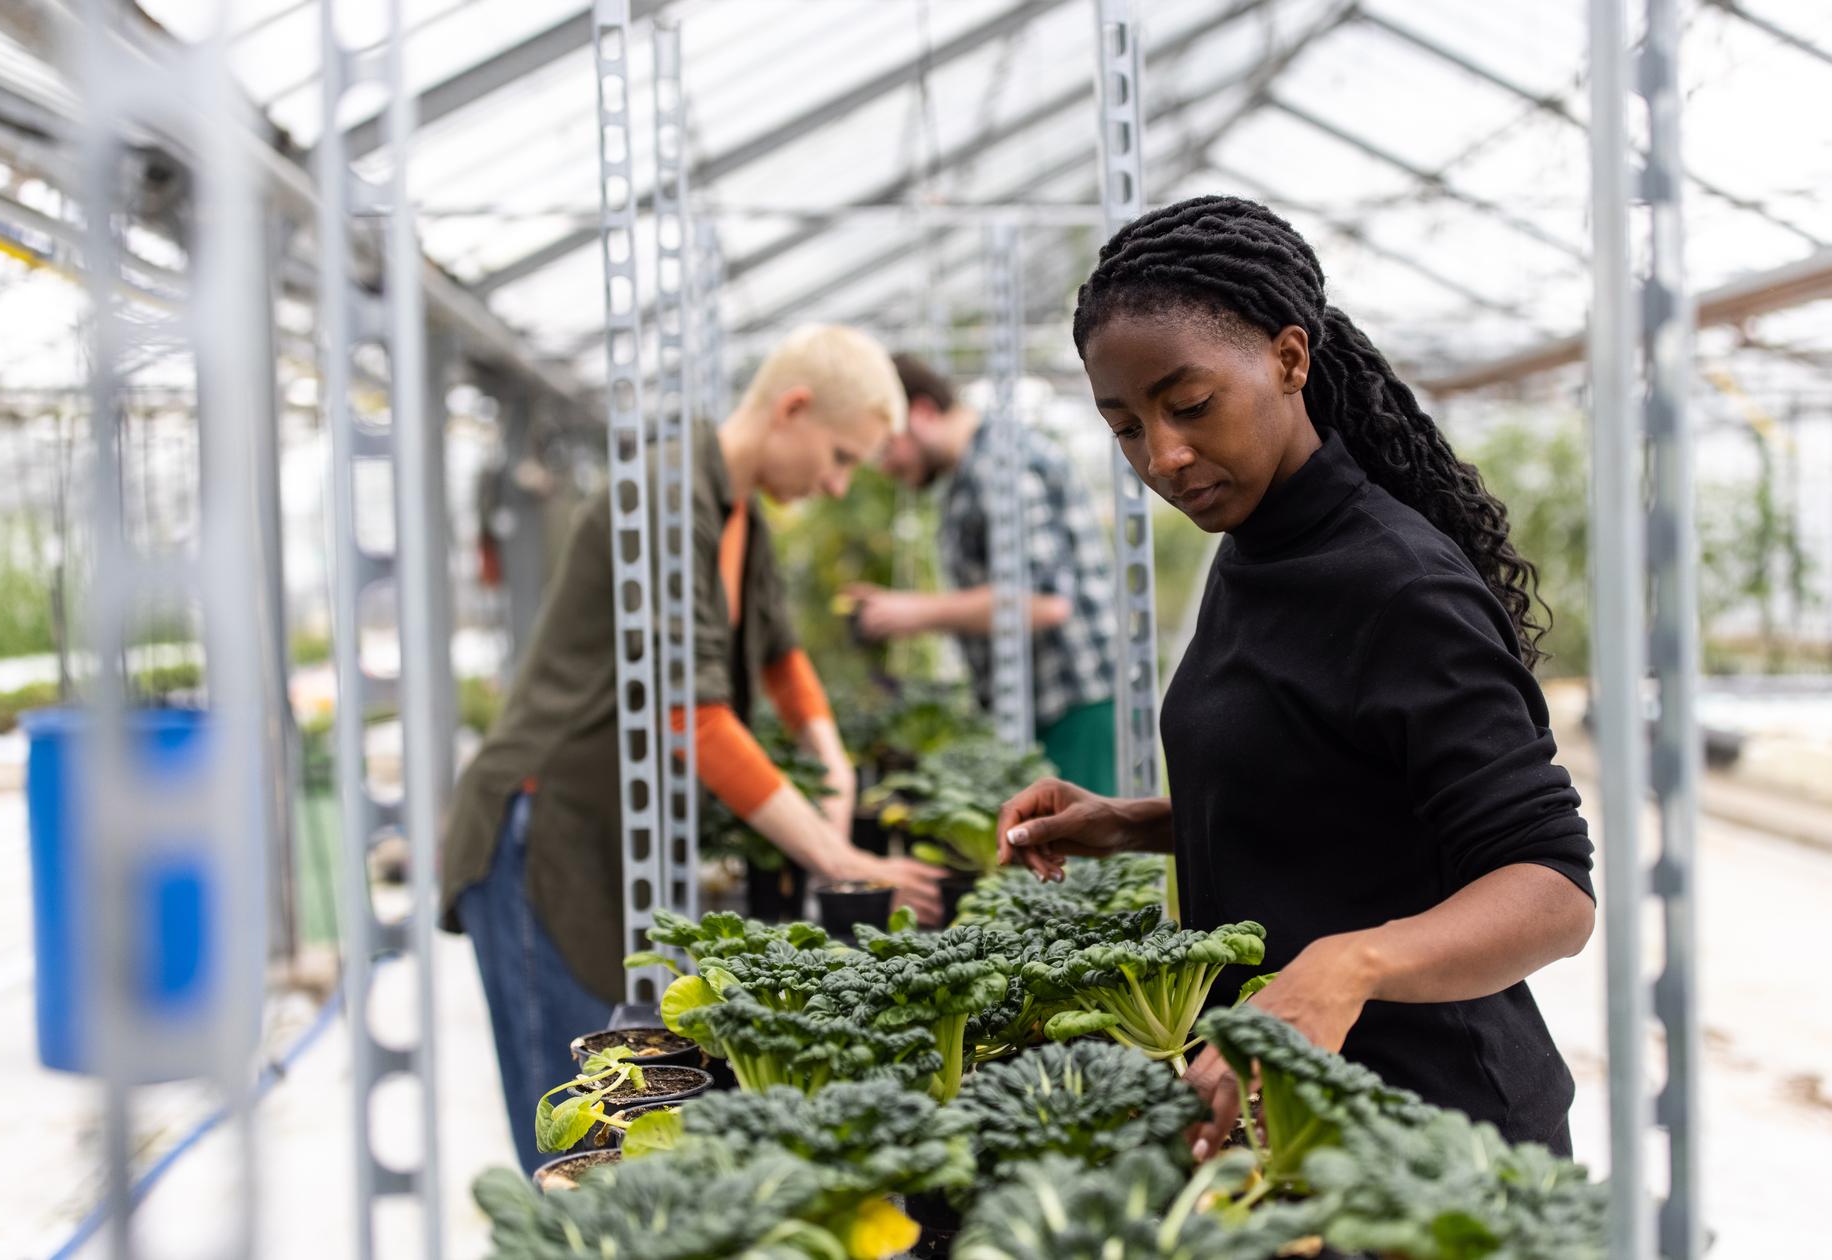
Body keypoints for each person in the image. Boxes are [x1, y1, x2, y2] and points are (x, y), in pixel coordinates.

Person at [994, 197, 1596, 1155]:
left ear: (1288, 359)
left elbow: (1553, 886)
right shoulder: (1255, 544)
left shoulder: (1397, 585)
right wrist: (1138, 821)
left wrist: (1343, 968)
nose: (1165, 456)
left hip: (1433, 1138)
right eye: (1127, 428)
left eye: (1189, 406)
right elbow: (1342, 786)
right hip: (1296, 1123)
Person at [441, 324, 945, 1173]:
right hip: (542, 825)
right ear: (791, 409)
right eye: (839, 456)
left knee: (610, 1110)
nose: (836, 482)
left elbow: (781, 655)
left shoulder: (737, 509)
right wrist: (841, 856)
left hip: (595, 830)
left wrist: (836, 762)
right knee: (571, 1133)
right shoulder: (669, 502)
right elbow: (694, 719)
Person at [850, 353, 1120, 792]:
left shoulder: (1000, 463)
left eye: (885, 446)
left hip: (1074, 700)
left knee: (1084, 856)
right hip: (1040, 704)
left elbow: (1045, 603)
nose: (884, 465)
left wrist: (917, 612)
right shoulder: (967, 473)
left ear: (921, 412)